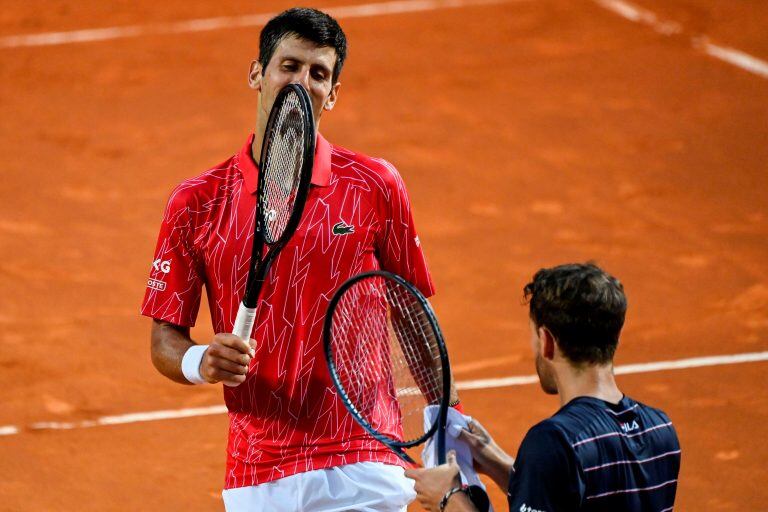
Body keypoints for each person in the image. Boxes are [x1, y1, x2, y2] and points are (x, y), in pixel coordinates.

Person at [141, 8, 449, 511]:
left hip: (363, 453)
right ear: (256, 73)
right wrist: (201, 361)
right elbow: (164, 338)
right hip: (258, 471)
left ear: (333, 93)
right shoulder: (194, 202)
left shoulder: (375, 185)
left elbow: (414, 314)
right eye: (289, 65)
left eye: (319, 73)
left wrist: (446, 423)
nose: (302, 81)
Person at [406, 263, 681, 511]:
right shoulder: (660, 429)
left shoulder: (554, 441)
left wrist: (449, 498)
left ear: (547, 341)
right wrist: (499, 463)